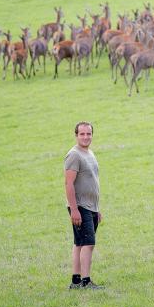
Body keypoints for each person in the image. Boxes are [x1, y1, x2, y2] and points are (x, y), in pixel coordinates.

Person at [64, 121, 103, 290]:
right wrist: (74, 209)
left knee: (79, 243)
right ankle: (86, 282)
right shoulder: (74, 155)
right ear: (76, 135)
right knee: (88, 243)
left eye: (89, 134)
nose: (86, 137)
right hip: (80, 206)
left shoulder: (89, 153)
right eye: (82, 134)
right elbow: (68, 183)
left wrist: (97, 209)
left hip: (91, 206)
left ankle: (76, 281)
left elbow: (91, 182)